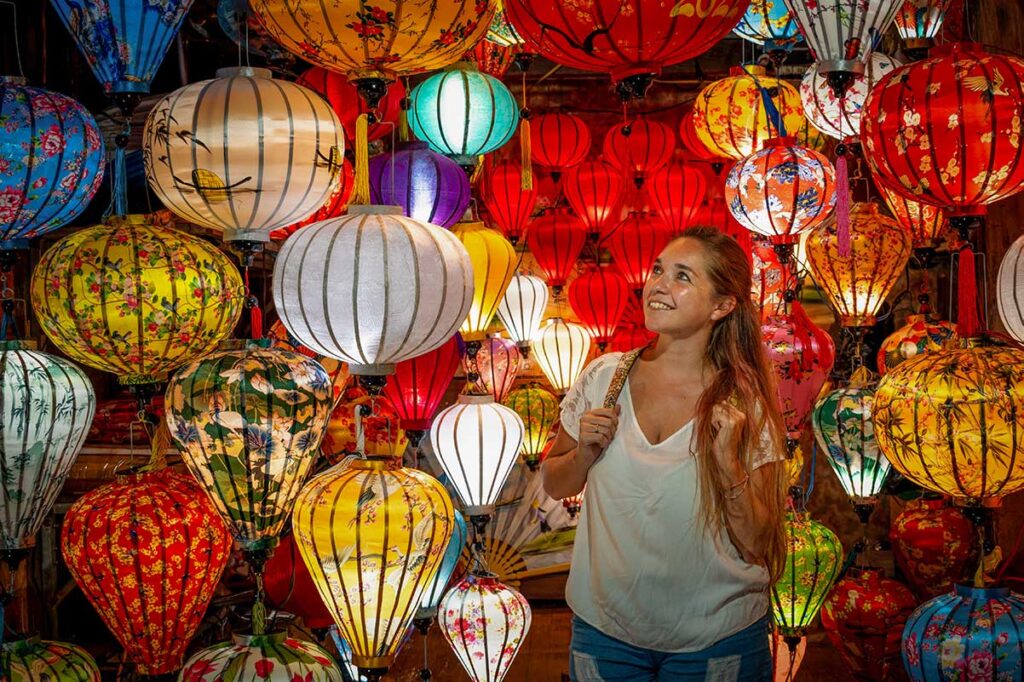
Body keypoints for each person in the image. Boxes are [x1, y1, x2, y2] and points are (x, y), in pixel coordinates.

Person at [542, 227, 788, 682]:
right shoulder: (603, 377)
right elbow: (554, 483)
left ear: (721, 306)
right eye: (658, 270)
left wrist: (729, 466)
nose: (657, 285)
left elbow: (759, 544)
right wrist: (583, 456)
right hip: (606, 631)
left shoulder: (743, 402)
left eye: (682, 276)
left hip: (717, 636)